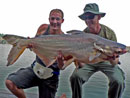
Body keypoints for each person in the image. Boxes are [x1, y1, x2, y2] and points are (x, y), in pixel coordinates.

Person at [5, 9, 64, 98]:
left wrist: (60, 60)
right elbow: (37, 45)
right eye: (52, 19)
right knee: (10, 83)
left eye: (57, 19)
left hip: (50, 77)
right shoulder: (43, 28)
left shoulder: (65, 39)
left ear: (62, 21)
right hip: (35, 69)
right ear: (49, 19)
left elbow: (62, 67)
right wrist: (30, 45)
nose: (55, 22)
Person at [70, 3, 125, 98]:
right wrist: (77, 61)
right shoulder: (83, 35)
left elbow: (114, 62)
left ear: (99, 17)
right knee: (75, 77)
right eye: (85, 18)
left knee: (118, 81)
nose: (87, 20)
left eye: (90, 16)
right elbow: (81, 61)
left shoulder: (109, 33)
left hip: (106, 61)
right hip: (89, 61)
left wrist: (113, 58)